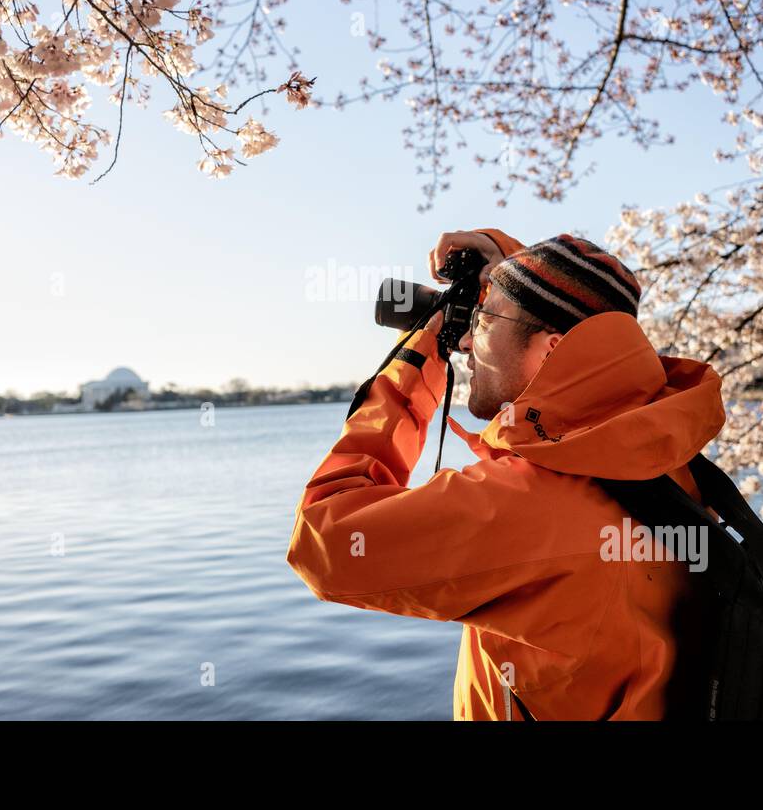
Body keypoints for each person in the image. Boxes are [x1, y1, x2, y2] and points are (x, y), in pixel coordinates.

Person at [285, 227, 727, 720]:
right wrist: (505, 276)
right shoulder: (659, 456)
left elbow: (323, 543)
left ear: (553, 349)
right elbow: (576, 341)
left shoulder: (529, 502)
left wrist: (415, 359)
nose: (468, 340)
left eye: (483, 321)